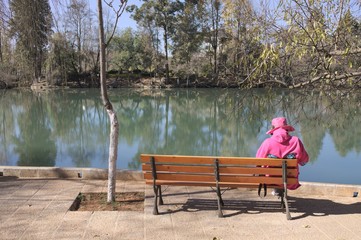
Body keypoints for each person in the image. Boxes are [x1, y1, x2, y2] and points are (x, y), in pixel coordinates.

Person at [256, 117, 309, 193]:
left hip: (270, 180)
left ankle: (277, 189)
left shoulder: (267, 142)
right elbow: (304, 161)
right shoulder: (296, 141)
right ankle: (280, 189)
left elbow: (258, 161)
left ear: (273, 129)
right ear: (286, 128)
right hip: (290, 180)